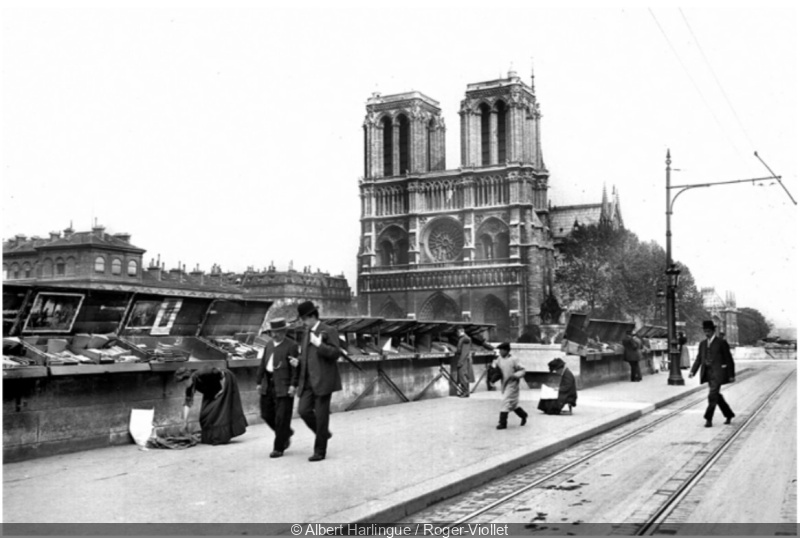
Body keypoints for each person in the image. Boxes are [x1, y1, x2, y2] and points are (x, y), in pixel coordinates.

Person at [296, 301, 342, 462]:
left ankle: (319, 451)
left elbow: (336, 353)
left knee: (322, 417)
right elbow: (305, 356)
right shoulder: (305, 333)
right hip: (308, 382)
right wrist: (298, 361)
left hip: (323, 381)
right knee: (303, 411)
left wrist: (319, 344)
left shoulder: (329, 331)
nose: (303, 322)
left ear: (312, 316)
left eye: (304, 319)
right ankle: (323, 433)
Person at [255, 318, 300, 458]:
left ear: (284, 331)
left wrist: (293, 385)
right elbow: (263, 364)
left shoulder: (291, 345)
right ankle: (285, 433)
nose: (275, 335)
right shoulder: (268, 345)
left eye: (278, 332)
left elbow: (295, 369)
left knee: (282, 418)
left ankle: (278, 448)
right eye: (273, 332)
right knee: (266, 414)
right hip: (268, 384)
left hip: (284, 385)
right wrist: (258, 382)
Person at [174, 366, 247, 445]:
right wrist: (185, 421)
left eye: (185, 382)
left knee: (219, 410)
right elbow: (187, 403)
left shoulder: (203, 373)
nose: (184, 385)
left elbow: (220, 373)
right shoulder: (190, 387)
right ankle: (210, 437)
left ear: (190, 377)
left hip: (225, 381)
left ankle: (221, 437)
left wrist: (222, 390)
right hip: (211, 390)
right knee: (205, 413)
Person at [689, 320, 735, 428]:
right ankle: (728, 414)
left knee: (712, 395)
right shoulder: (702, 344)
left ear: (713, 331)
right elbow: (699, 359)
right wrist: (693, 371)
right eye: (705, 331)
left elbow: (729, 360)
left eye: (708, 331)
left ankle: (708, 418)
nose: (707, 333)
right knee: (716, 396)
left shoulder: (721, 343)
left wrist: (731, 375)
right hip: (707, 373)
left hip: (718, 373)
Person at [489, 342, 528, 429]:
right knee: (512, 404)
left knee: (505, 401)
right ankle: (523, 415)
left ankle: (502, 423)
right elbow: (498, 372)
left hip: (512, 384)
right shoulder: (499, 359)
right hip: (504, 384)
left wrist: (516, 375)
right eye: (499, 350)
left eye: (502, 350)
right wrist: (493, 380)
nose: (500, 352)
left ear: (507, 350)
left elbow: (522, 370)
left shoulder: (514, 359)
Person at [454, 327, 475, 397]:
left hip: (463, 360)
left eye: (457, 332)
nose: (456, 334)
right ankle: (465, 392)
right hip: (464, 360)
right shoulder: (464, 339)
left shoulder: (464, 339)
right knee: (464, 376)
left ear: (459, 331)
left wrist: (460, 362)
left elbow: (464, 352)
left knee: (462, 376)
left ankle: (465, 392)